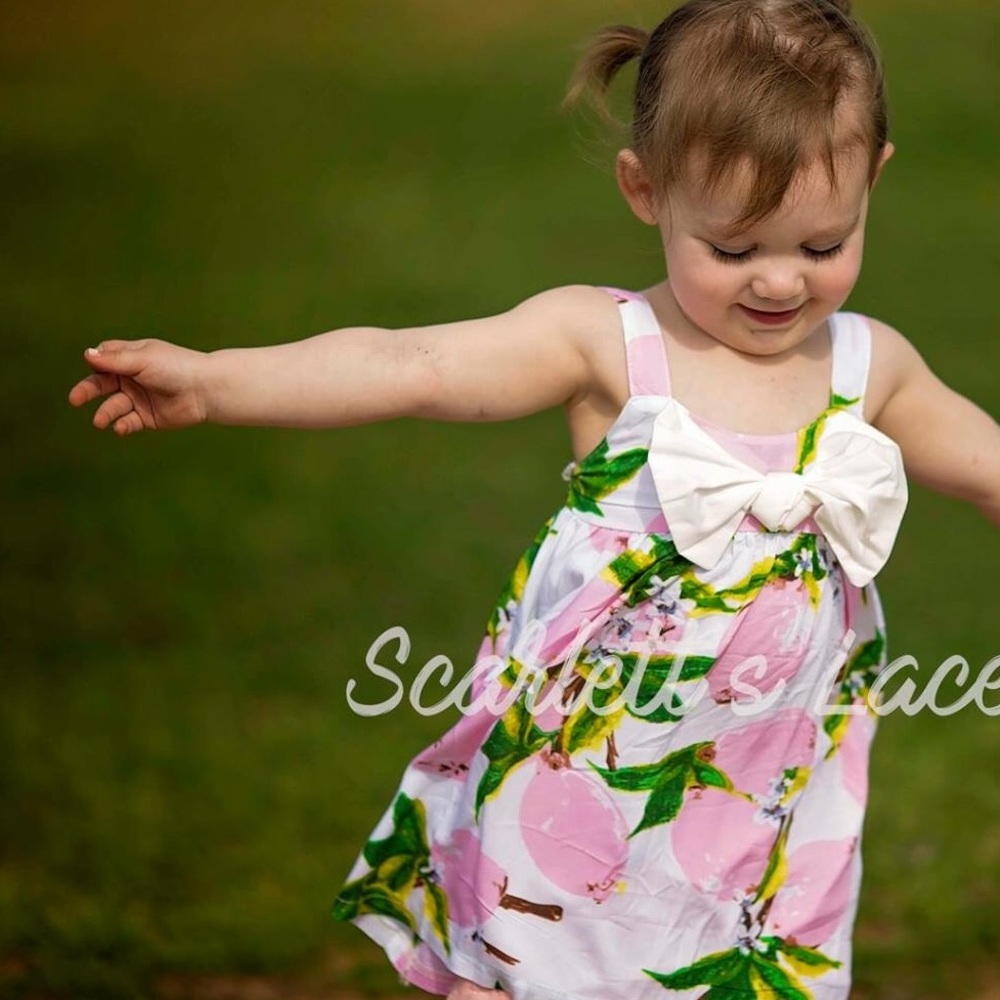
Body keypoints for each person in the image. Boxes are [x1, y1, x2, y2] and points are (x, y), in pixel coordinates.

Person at [69, 0, 1000, 997]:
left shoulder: (871, 366)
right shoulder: (607, 343)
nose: (780, 280)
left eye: (822, 245)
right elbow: (412, 364)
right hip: (581, 780)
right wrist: (216, 381)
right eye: (733, 249)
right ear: (645, 191)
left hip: (763, 794)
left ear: (874, 178)